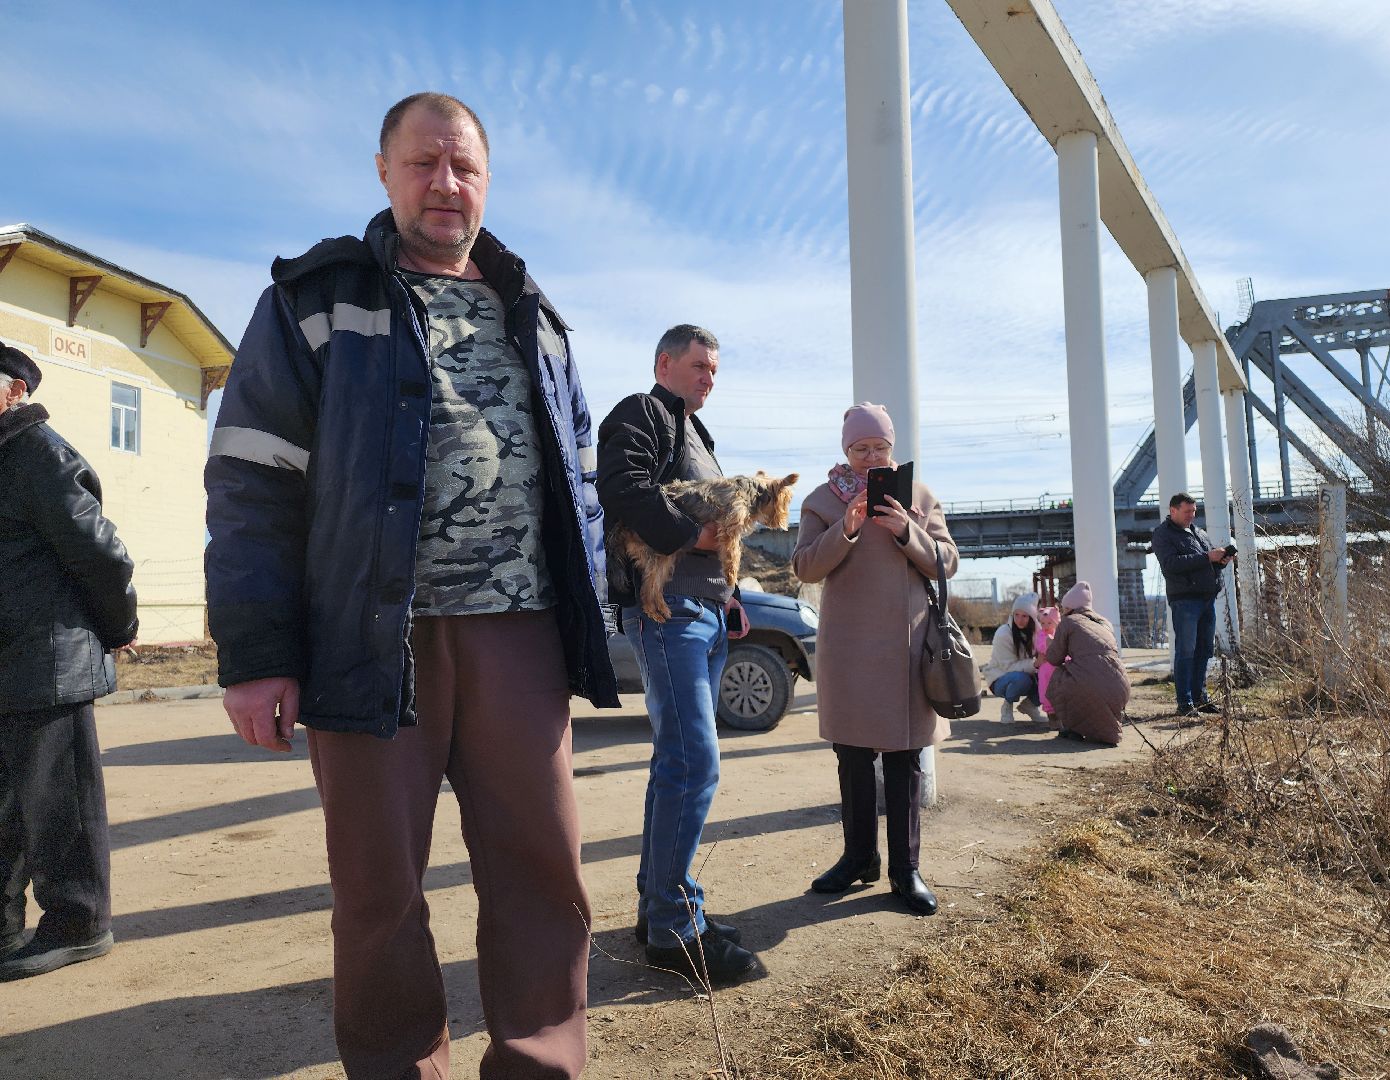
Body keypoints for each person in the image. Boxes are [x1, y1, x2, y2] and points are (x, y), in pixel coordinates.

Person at [204, 93, 618, 1079]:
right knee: (379, 891)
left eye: (465, 167)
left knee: (544, 872)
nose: (446, 184)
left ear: (487, 180)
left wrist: (587, 612)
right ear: (384, 172)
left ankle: (539, 1059)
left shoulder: (538, 313)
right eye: (424, 163)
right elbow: (251, 478)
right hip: (369, 636)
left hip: (521, 636)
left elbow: (586, 482)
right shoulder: (317, 298)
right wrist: (257, 655)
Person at [596, 324, 762, 984]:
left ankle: (658, 907)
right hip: (666, 613)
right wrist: (696, 539)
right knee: (695, 761)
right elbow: (624, 490)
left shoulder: (701, 439)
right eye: (698, 365)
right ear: (664, 362)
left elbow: (722, 526)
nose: (709, 378)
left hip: (707, 612)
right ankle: (672, 927)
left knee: (675, 763)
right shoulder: (642, 412)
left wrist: (733, 594)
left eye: (715, 370)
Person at [0, 343, 137, 982]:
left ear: (14, 391)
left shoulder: (36, 454)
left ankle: (80, 923)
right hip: (9, 664)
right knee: (6, 808)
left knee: (59, 806)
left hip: (47, 663)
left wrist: (118, 627)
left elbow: (100, 552)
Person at [792, 403, 959, 916]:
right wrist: (845, 527)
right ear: (845, 450)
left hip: (907, 649)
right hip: (846, 649)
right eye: (860, 448)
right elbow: (804, 566)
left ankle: (905, 869)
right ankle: (858, 857)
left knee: (905, 758)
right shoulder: (821, 501)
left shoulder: (921, 496)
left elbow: (947, 562)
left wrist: (908, 529)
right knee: (853, 758)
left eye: (880, 448)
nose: (870, 457)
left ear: (892, 450)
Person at [1151, 492, 1232, 715]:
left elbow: (1208, 563)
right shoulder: (1162, 534)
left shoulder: (1199, 532)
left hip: (1206, 600)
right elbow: (1171, 564)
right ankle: (1184, 702)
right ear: (1173, 510)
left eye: (1194, 512)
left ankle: (1200, 698)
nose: (1191, 516)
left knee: (1204, 650)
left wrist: (1221, 561)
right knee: (1186, 650)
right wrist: (1208, 557)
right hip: (1185, 601)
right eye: (1187, 512)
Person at [1044, 581, 1129, 746]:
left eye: (1063, 608)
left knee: (1059, 677)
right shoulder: (1105, 623)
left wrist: (1049, 645)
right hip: (1121, 684)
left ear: (1068, 608)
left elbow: (1054, 659)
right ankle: (1101, 733)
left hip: (1089, 683)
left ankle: (1072, 728)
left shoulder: (1068, 622)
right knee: (1089, 683)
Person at [981, 593, 1047, 723]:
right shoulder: (1003, 634)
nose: (1019, 620)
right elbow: (1008, 667)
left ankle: (1030, 706)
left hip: (1028, 673)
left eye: (1024, 616)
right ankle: (1007, 705)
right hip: (1000, 678)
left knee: (1050, 676)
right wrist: (1035, 664)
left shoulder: (1038, 633)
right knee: (1020, 679)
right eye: (1016, 615)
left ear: (1032, 618)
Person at [1035, 604, 1061, 728]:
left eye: (1049, 623)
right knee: (1046, 691)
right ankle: (1052, 718)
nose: (1045, 626)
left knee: (1059, 691)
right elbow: (1040, 647)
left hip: (1057, 669)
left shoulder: (1060, 635)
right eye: (1043, 623)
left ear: (1056, 623)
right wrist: (1047, 644)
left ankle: (1060, 717)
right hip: (1045, 670)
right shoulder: (1041, 635)